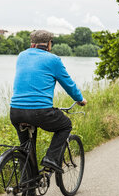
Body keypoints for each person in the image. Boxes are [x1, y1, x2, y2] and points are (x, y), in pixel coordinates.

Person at [10, 30, 87, 176]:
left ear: (32, 44)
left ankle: (29, 192)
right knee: (65, 125)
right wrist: (80, 99)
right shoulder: (53, 60)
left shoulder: (21, 56)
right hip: (40, 112)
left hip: (16, 112)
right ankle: (51, 159)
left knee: (26, 149)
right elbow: (68, 84)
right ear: (49, 44)